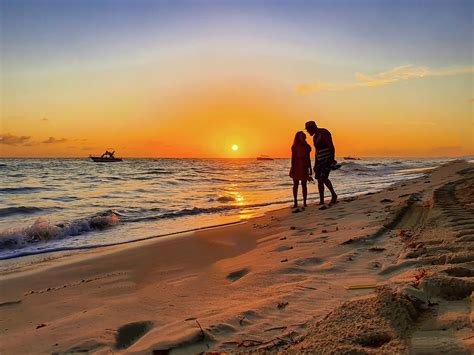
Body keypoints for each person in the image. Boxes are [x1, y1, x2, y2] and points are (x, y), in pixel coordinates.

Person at [305, 120, 337, 207]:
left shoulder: (324, 132)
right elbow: (316, 151)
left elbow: (331, 146)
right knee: (319, 180)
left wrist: (331, 159)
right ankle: (322, 200)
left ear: (312, 128)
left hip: (327, 159)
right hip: (319, 160)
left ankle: (334, 195)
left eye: (308, 130)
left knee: (323, 177)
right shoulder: (314, 137)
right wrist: (315, 164)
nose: (308, 132)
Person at [289, 131, 312, 208]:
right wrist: (292, 168)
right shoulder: (294, 147)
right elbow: (293, 158)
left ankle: (305, 202)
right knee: (295, 185)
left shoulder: (307, 146)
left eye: (303, 136)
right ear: (298, 137)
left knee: (304, 185)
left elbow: (309, 158)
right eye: (300, 136)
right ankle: (295, 202)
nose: (302, 137)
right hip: (296, 165)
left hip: (304, 166)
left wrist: (310, 168)